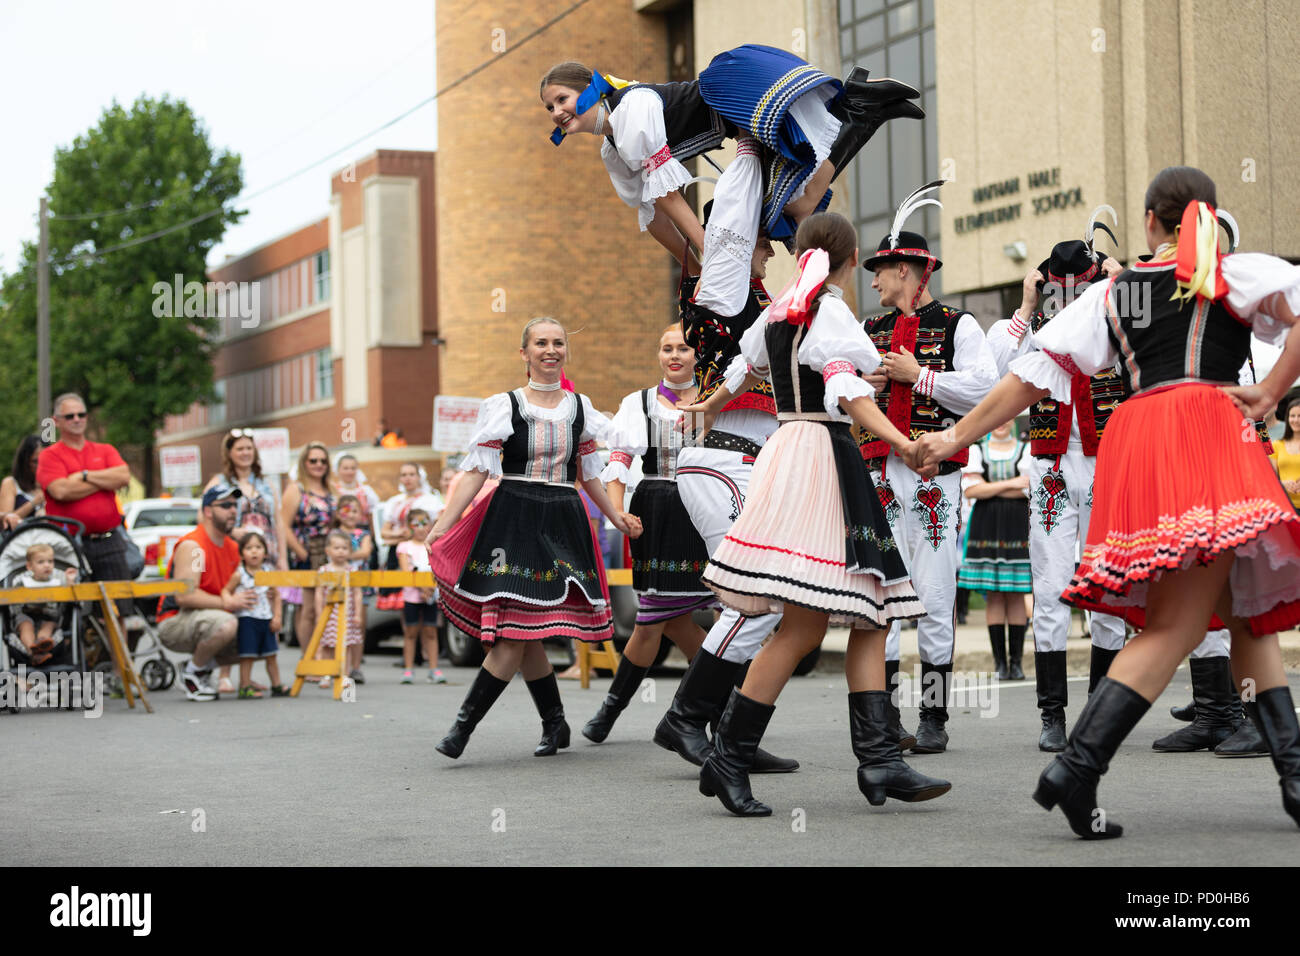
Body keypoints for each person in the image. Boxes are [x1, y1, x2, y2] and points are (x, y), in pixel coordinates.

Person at [908, 166, 1300, 838]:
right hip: (1207, 430)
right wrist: (1272, 394)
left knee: (1242, 617)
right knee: (1176, 625)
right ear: (1207, 214)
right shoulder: (1232, 270)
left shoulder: (1113, 294)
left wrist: (953, 438)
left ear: (1151, 221)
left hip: (1141, 437)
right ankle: (1077, 769)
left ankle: (1293, 775)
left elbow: (1031, 376)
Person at [681, 212, 947, 818]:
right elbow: (844, 393)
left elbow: (741, 369)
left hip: (789, 450)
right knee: (825, 620)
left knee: (859, 614)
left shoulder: (779, 312)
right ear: (851, 261)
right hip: (825, 455)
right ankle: (742, 759)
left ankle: (876, 759)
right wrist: (903, 443)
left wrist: (706, 403)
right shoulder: (828, 313)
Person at [426, 317, 637, 760]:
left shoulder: (581, 407)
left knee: (522, 629)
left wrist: (616, 516)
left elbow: (590, 475)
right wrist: (445, 521)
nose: (550, 350)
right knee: (520, 629)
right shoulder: (503, 405)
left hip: (561, 516)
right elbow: (477, 470)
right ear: (524, 353)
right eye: (540, 343)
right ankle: (544, 723)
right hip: (514, 515)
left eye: (558, 343)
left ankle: (471, 729)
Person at [653, 195, 798, 774]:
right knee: (755, 604)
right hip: (725, 463)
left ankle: (726, 733)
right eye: (761, 239)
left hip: (742, 464)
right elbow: (697, 240)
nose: (771, 250)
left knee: (759, 605)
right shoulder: (727, 291)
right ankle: (688, 720)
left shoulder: (750, 298)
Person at [857, 185, 999, 754]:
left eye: (882, 271)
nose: (874, 282)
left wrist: (921, 378)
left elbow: (987, 392)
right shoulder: (869, 331)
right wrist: (860, 388)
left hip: (937, 478)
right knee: (884, 595)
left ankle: (934, 716)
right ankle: (886, 716)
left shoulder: (961, 326)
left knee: (937, 594)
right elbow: (835, 390)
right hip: (879, 477)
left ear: (911, 270)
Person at [540, 48, 922, 256]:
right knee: (799, 207)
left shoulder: (631, 111)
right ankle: (863, 112)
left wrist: (709, 256)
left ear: (589, 88)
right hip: (738, 122)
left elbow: (669, 195)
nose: (557, 113)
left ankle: (856, 106)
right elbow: (653, 214)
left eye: (562, 99)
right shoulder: (614, 150)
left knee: (797, 205)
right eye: (549, 108)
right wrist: (690, 269)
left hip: (736, 94)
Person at [988, 226, 1130, 750]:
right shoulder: (1035, 324)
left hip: (1106, 461)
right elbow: (996, 374)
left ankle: (1101, 710)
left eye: (1081, 286)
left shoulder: (1116, 314)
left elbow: (1147, 363)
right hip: (1049, 462)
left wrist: (1124, 291)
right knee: (1049, 588)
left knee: (1106, 584)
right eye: (1059, 287)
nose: (1069, 295)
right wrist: (1024, 306)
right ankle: (1052, 714)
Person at [582, 323, 711, 743]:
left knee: (695, 617)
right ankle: (718, 704)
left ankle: (715, 710)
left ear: (698, 353)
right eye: (666, 348)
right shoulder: (638, 403)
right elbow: (617, 463)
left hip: (706, 506)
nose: (674, 356)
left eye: (683, 348)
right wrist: (617, 512)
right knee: (658, 617)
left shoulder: (718, 398)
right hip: (657, 507)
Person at [37, 393, 143, 630]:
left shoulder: (104, 449)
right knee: (67, 608)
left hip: (109, 540)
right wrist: (104, 482)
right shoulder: (49, 455)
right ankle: (76, 661)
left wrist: (84, 476)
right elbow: (60, 490)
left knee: (118, 610)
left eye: (81, 414)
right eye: (70, 415)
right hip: (68, 543)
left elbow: (123, 476)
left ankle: (118, 666)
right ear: (57, 421)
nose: (77, 419)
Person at [157, 482, 255, 701]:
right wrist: (228, 603)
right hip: (176, 620)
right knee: (226, 623)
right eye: (226, 505)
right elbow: (186, 596)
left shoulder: (231, 547)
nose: (233, 510)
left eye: (235, 505)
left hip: (210, 615)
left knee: (260, 629)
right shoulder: (196, 547)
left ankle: (199, 664)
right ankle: (193, 672)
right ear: (208, 511)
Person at [205, 428, 284, 694]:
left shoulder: (266, 483)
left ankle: (251, 677)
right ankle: (225, 674)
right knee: (239, 610)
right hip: (234, 554)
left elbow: (279, 521)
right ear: (229, 452)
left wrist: (282, 557)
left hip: (266, 553)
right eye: (239, 448)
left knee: (263, 611)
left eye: (249, 448)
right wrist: (231, 533)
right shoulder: (219, 481)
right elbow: (205, 517)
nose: (245, 453)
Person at [956, 421, 1031, 680]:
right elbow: (972, 490)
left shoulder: (1026, 449)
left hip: (1017, 525)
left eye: (1007, 418)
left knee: (1016, 593)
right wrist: (1013, 484)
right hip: (987, 525)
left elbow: (1030, 489)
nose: (1001, 423)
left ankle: (1017, 663)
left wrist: (990, 488)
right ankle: (1000, 663)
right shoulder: (978, 450)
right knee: (995, 594)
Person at [278, 442, 336, 661]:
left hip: (330, 554)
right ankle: (309, 656)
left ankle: (327, 655)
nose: (318, 465)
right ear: (304, 463)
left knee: (329, 607)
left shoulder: (332, 489)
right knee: (308, 608)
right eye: (313, 460)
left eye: (322, 461)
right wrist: (300, 552)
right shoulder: (296, 489)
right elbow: (283, 525)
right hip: (306, 552)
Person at [223, 532, 285, 698]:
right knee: (247, 656)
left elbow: (277, 595)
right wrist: (230, 601)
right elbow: (225, 591)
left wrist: (277, 616)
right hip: (247, 619)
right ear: (242, 553)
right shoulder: (239, 575)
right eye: (249, 548)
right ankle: (245, 686)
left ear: (265, 552)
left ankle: (276, 685)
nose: (254, 552)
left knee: (271, 655)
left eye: (258, 547)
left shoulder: (268, 573)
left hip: (266, 618)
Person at [397, 508, 444, 685]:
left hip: (431, 595)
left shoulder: (434, 545)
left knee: (431, 631)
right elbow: (406, 570)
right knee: (410, 632)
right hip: (412, 596)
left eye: (424, 523)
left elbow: (438, 567)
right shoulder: (404, 547)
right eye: (415, 524)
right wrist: (422, 588)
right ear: (409, 526)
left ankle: (434, 669)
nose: (420, 528)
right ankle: (408, 669)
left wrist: (430, 589)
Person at [12, 543, 77, 665]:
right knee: (25, 626)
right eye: (41, 562)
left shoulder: (58, 581)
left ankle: (41, 646)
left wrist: (69, 581)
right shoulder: (22, 582)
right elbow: (14, 604)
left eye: (50, 561)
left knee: (49, 625)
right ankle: (32, 651)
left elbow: (69, 596)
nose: (47, 565)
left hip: (49, 615)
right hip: (27, 614)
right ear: (30, 566)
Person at [315, 529, 363, 691]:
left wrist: (357, 614)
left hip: (347, 615)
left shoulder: (352, 571)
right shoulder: (324, 570)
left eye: (344, 548)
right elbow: (319, 593)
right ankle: (325, 674)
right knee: (327, 645)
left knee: (346, 645)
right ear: (328, 550)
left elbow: (357, 593)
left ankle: (344, 674)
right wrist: (319, 612)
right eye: (337, 548)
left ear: (350, 551)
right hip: (329, 614)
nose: (341, 551)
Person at [1, 435, 45, 532]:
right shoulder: (11, 483)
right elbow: (5, 522)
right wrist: (34, 503)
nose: (40, 466)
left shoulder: (52, 485)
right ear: (25, 461)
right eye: (35, 461)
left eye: (44, 460)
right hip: (20, 540)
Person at [1271, 398, 1300, 510]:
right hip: (1286, 507)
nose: (1296, 420)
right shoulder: (1277, 445)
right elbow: (1271, 478)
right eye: (1292, 416)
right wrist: (1283, 483)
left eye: (1299, 416)